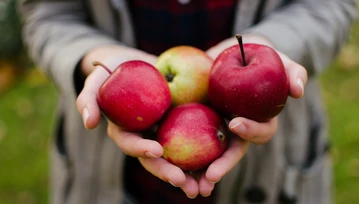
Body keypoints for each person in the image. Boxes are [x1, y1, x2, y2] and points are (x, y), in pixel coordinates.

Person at [20, 0, 356, 203]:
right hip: (104, 171)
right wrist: (94, 56)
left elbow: (328, 4)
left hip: (272, 169)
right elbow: (49, 13)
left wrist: (272, 44)